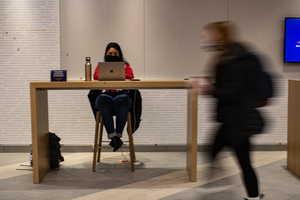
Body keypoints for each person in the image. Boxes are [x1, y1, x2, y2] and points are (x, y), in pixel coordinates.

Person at [199, 21, 265, 200]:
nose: (208, 37)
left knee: (240, 160)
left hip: (237, 120)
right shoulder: (228, 54)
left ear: (221, 34)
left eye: (211, 33)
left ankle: (245, 193)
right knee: (217, 152)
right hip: (232, 118)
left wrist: (211, 89)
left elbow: (235, 90)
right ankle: (249, 194)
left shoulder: (233, 57)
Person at [94, 42, 134, 152]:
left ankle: (117, 136)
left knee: (121, 103)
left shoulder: (126, 66)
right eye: (110, 53)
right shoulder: (100, 66)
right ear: (106, 54)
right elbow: (96, 76)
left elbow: (130, 76)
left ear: (119, 54)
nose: (112, 55)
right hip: (105, 94)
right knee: (104, 104)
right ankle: (114, 137)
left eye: (115, 53)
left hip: (121, 94)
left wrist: (112, 76)